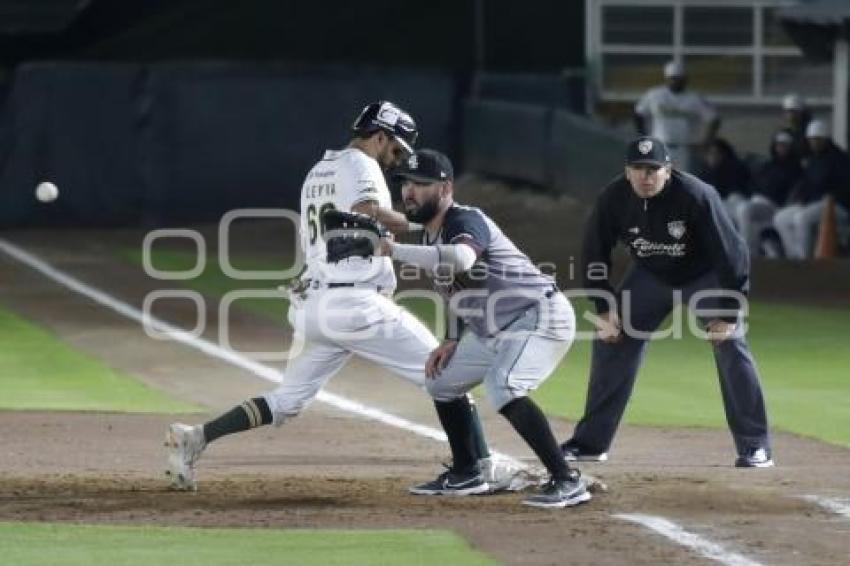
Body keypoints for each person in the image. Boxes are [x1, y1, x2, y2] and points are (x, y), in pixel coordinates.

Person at [164, 101, 516, 493]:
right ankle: (481, 466)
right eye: (395, 148)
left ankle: (196, 438)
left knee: (286, 400)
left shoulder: (318, 172)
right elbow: (368, 209)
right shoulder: (360, 165)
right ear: (379, 135)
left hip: (316, 305)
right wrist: (422, 222)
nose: (395, 158)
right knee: (445, 373)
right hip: (355, 304)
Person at [383, 149, 591, 509]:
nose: (409, 192)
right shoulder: (430, 238)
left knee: (504, 385)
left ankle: (567, 479)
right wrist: (450, 338)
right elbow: (454, 292)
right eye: (406, 183)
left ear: (445, 188)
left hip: (538, 316)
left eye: (421, 184)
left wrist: (391, 250)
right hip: (495, 331)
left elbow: (463, 258)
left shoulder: (465, 220)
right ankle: (469, 471)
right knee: (441, 382)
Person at [561, 136, 773, 468]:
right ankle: (590, 443)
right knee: (611, 341)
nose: (646, 177)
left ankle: (755, 446)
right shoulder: (614, 197)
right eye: (638, 169)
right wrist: (604, 308)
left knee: (730, 343)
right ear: (627, 172)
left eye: (653, 170)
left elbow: (733, 256)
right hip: (650, 276)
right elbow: (594, 253)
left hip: (704, 277)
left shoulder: (697, 196)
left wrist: (729, 314)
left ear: (668, 171)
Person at [773, 119, 850, 259]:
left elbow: (843, 186)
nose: (813, 143)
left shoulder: (840, 159)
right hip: (813, 203)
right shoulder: (813, 160)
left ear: (825, 139)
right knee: (781, 218)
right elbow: (807, 184)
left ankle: (804, 260)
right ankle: (794, 255)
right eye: (811, 140)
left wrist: (832, 197)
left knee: (802, 218)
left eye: (817, 139)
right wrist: (802, 198)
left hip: (836, 206)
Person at [634, 61, 720, 173]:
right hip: (660, 147)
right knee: (659, 184)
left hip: (684, 149)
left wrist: (706, 142)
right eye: (673, 78)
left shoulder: (694, 98)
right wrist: (643, 137)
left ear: (685, 80)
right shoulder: (655, 95)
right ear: (667, 78)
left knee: (683, 183)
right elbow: (638, 113)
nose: (676, 81)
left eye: (679, 78)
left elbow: (714, 118)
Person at [732, 130, 802, 256]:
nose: (781, 148)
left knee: (744, 209)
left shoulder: (795, 168)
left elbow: (791, 192)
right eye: (779, 145)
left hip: (775, 206)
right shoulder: (768, 165)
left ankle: (747, 252)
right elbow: (754, 184)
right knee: (738, 207)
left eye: (784, 145)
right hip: (758, 201)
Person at [695, 137, 752, 217]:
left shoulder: (736, 168)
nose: (713, 157)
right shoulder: (705, 172)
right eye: (709, 154)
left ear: (724, 154)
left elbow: (737, 191)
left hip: (735, 203)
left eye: (717, 153)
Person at [780, 93, 812, 160]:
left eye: (793, 112)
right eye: (788, 112)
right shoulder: (783, 132)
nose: (790, 116)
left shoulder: (809, 132)